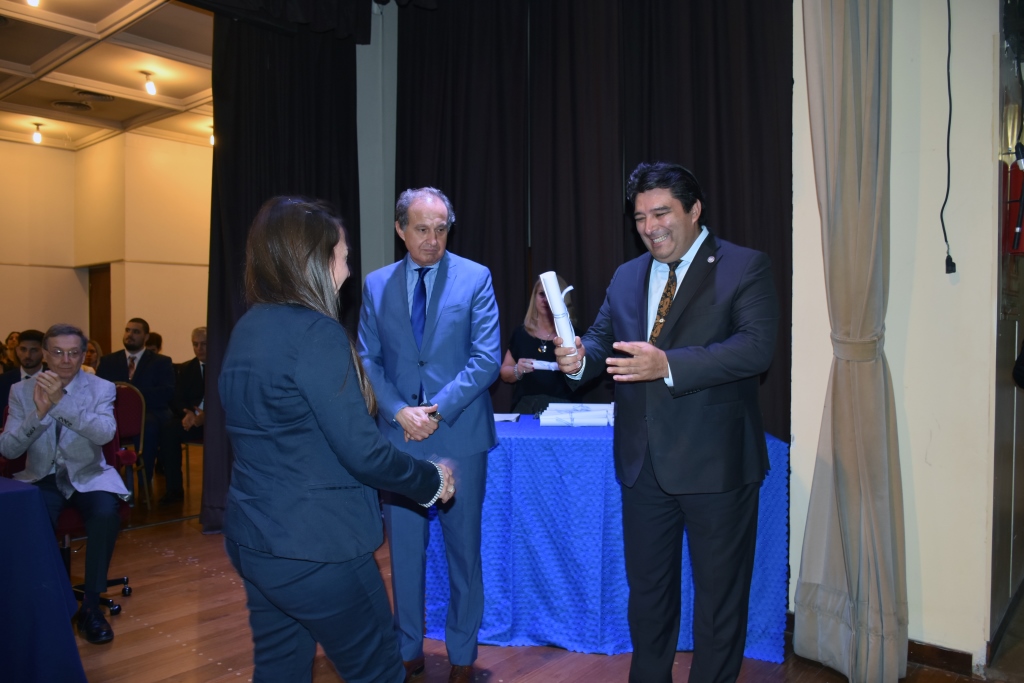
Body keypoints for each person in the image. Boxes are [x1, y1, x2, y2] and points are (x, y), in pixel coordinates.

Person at [554, 162, 779, 683]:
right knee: (649, 598)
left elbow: (755, 349)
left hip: (718, 465)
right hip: (643, 465)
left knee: (720, 604)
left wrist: (669, 365)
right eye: (640, 218)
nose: (651, 227)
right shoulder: (627, 275)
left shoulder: (745, 266)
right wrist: (577, 360)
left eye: (662, 213)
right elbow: (600, 342)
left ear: (694, 211)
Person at [220, 196, 454, 683]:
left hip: (254, 540)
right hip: (318, 548)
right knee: (380, 672)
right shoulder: (317, 334)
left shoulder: (248, 327)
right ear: (315, 261)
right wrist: (432, 479)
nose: (348, 273)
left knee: (280, 668)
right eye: (344, 258)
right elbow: (363, 453)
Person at [358, 187, 500, 683]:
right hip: (400, 441)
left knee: (464, 554)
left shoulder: (476, 277)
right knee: (405, 553)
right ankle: (408, 648)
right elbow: (368, 358)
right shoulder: (376, 285)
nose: (433, 239)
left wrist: (434, 412)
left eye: (441, 229)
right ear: (401, 229)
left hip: (458, 434)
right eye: (422, 229)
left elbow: (486, 359)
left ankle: (462, 655)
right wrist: (400, 412)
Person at [0, 323, 128, 645]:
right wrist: (41, 414)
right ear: (45, 354)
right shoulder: (21, 391)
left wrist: (61, 403)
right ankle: (48, 602)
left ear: (84, 354)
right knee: (33, 518)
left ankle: (90, 609)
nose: (65, 360)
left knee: (105, 512)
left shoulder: (102, 388)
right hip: (42, 476)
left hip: (88, 474)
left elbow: (104, 434)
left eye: (73, 353)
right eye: (57, 352)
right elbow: (9, 449)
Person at [97, 318, 176, 497]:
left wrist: (133, 394)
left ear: (146, 336)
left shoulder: (160, 361)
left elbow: (167, 391)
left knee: (148, 427)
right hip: (114, 413)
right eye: (127, 330)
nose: (130, 335)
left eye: (136, 332)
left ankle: (143, 483)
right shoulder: (109, 361)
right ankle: (107, 481)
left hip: (149, 412)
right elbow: (98, 390)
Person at [499, 275, 579, 413]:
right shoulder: (521, 334)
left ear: (562, 299)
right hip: (525, 408)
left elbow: (587, 375)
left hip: (564, 410)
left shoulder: (575, 337)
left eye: (551, 295)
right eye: (542, 294)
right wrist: (517, 370)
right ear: (534, 297)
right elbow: (504, 373)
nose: (546, 300)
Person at [166, 327, 207, 503]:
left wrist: (208, 416)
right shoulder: (187, 368)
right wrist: (187, 413)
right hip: (193, 421)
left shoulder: (224, 365)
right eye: (195, 344)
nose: (199, 349)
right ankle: (174, 490)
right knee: (168, 430)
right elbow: (177, 398)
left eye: (204, 344)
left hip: (218, 422)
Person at [0, 329, 45, 416]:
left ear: (44, 351)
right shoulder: (3, 381)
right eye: (23, 349)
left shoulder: (55, 380)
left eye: (34, 350)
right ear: (17, 350)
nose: (27, 355)